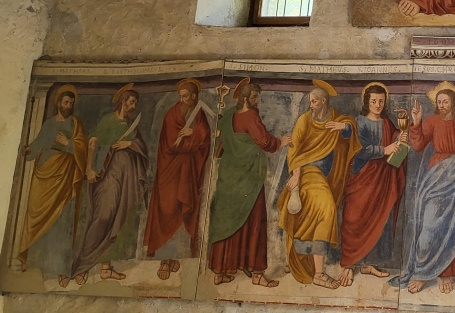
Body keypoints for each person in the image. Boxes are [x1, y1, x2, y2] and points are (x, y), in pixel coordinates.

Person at [395, 82, 455, 294]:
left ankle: (446, 273)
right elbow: (418, 145)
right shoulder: (432, 121)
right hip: (436, 177)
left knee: (454, 226)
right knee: (428, 226)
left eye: (445, 101)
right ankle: (422, 272)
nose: (442, 105)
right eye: (439, 102)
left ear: (454, 102)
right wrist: (416, 122)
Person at [276, 80, 360, 289]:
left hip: (326, 177)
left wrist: (344, 127)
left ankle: (312, 266)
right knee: (326, 209)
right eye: (310, 101)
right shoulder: (304, 120)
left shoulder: (335, 118)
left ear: (324, 101)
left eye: (314, 101)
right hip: (307, 173)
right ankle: (319, 274)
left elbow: (350, 127)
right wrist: (296, 176)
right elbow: (294, 150)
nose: (311, 105)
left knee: (315, 215)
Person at [207, 79, 290, 287]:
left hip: (228, 177)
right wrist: (281, 142)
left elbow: (219, 147)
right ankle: (257, 274)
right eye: (254, 98)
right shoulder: (251, 116)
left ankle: (220, 272)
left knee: (227, 221)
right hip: (249, 178)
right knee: (254, 222)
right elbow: (264, 141)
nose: (256, 101)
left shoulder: (227, 116)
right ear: (244, 98)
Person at [70, 83, 148, 284]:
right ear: (123, 101)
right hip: (107, 176)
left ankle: (106, 268)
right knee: (103, 217)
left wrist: (129, 143)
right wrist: (89, 168)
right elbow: (93, 142)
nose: (133, 106)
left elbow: (142, 147)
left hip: (125, 178)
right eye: (131, 102)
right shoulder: (108, 120)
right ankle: (83, 266)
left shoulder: (131, 125)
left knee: (117, 221)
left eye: (135, 103)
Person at [18, 84, 87, 287]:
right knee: (38, 218)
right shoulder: (49, 124)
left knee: (62, 221)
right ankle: (36, 265)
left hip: (65, 177)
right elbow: (39, 143)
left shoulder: (76, 124)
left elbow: (82, 148)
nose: (68, 106)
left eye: (71, 103)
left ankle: (61, 269)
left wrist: (68, 144)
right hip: (45, 174)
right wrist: (28, 150)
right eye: (66, 102)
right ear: (58, 103)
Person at [339, 83, 407, 286]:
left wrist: (401, 133)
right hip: (363, 177)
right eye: (374, 101)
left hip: (383, 177)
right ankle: (349, 264)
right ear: (366, 102)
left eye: (381, 101)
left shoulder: (387, 122)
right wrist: (384, 150)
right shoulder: (359, 122)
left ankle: (369, 264)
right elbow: (358, 149)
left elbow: (394, 139)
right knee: (354, 218)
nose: (378, 105)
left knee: (380, 219)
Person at [143, 77, 211, 280]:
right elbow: (169, 144)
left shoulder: (199, 114)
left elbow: (205, 139)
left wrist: (193, 132)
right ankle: (164, 259)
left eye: (185, 96)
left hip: (188, 171)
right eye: (180, 96)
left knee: (184, 210)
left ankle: (178, 257)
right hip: (170, 170)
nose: (182, 100)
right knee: (168, 209)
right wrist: (187, 138)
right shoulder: (171, 115)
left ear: (194, 96)